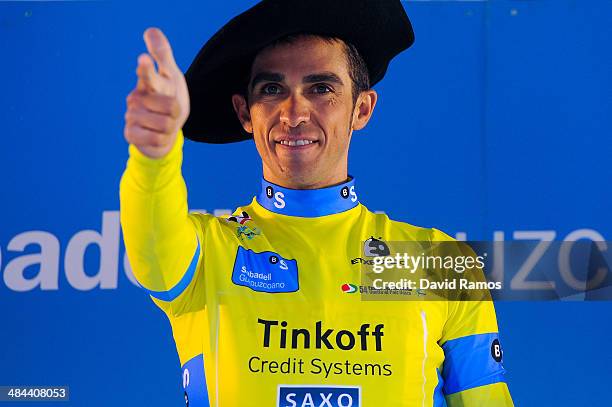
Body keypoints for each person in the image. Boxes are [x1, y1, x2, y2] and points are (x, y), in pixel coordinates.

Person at [120, 1, 514, 406]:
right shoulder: (205, 254)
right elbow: (151, 241)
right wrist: (155, 156)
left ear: (362, 109)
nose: (294, 113)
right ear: (244, 113)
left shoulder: (438, 261)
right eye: (272, 89)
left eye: (321, 88)